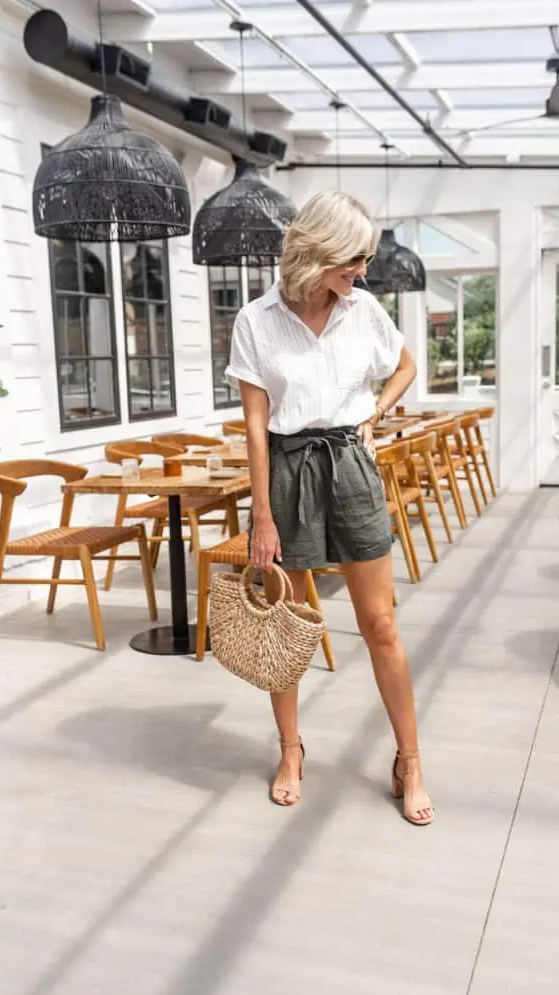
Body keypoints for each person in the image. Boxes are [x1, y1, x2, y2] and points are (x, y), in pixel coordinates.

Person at [225, 191, 433, 826]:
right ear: (319, 251)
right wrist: (262, 516)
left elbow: (405, 365)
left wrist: (376, 412)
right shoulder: (256, 322)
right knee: (285, 624)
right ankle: (291, 751)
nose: (363, 271)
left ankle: (410, 761)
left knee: (381, 625)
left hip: (351, 468)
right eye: (355, 258)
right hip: (286, 471)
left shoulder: (362, 310)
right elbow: (256, 427)